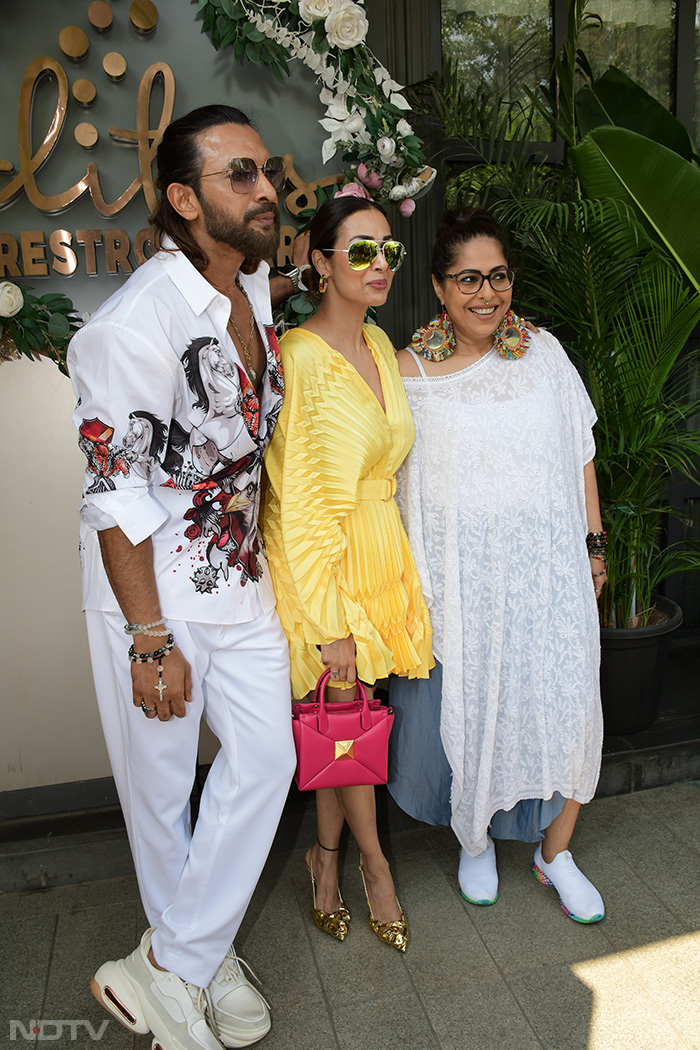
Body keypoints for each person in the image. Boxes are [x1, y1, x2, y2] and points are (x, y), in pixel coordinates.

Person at [68, 104, 299, 1050]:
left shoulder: (256, 296)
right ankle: (194, 968)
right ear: (182, 198)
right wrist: (149, 639)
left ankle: (172, 963)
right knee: (161, 801)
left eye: (266, 172)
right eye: (239, 175)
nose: (266, 190)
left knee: (268, 760)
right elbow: (115, 495)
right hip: (150, 596)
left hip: (236, 580)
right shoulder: (133, 324)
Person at [388, 207, 606, 923]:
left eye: (499, 276)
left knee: (571, 709)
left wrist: (594, 546)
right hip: (464, 587)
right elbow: (388, 478)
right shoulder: (408, 372)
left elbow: (580, 451)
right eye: (470, 279)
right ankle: (473, 839)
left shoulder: (543, 353)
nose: (489, 294)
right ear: (440, 289)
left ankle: (555, 852)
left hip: (550, 578)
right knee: (474, 713)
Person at [262, 192, 433, 952]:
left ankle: (322, 861)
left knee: (344, 732)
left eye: (388, 249)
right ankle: (374, 868)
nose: (380, 263)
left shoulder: (379, 344)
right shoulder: (301, 357)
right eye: (360, 249)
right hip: (323, 568)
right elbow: (297, 504)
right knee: (345, 717)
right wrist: (329, 623)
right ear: (321, 264)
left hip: (377, 554)